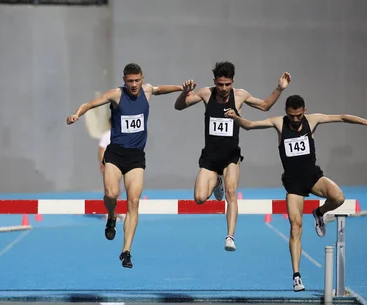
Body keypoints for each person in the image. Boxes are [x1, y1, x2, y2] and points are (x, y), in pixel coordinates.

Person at [225, 94, 367, 291]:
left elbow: (343, 117)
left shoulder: (313, 120)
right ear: (286, 112)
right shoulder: (279, 123)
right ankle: (296, 276)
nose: (296, 120)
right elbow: (250, 125)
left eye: (299, 115)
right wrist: (237, 118)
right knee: (296, 226)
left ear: (305, 111)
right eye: (292, 116)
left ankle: (319, 213)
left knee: (339, 197)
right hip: (293, 184)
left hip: (313, 177)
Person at [67, 63, 186, 269]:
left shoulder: (147, 90)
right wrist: (77, 115)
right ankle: (111, 217)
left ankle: (126, 251)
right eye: (129, 81)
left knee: (133, 201)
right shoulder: (115, 94)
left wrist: (182, 89)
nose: (133, 85)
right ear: (124, 80)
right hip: (115, 153)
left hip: (136, 157)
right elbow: (90, 104)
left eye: (137, 80)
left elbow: (160, 89)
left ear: (142, 78)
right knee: (111, 194)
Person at [174, 61, 291, 252]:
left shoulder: (240, 95)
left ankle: (230, 236)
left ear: (232, 82)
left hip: (231, 156)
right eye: (220, 84)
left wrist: (279, 88)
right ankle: (217, 183)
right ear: (215, 82)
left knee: (231, 193)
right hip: (210, 158)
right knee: (200, 198)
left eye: (227, 84)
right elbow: (179, 106)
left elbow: (264, 106)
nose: (223, 88)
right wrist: (183, 92)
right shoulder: (206, 93)